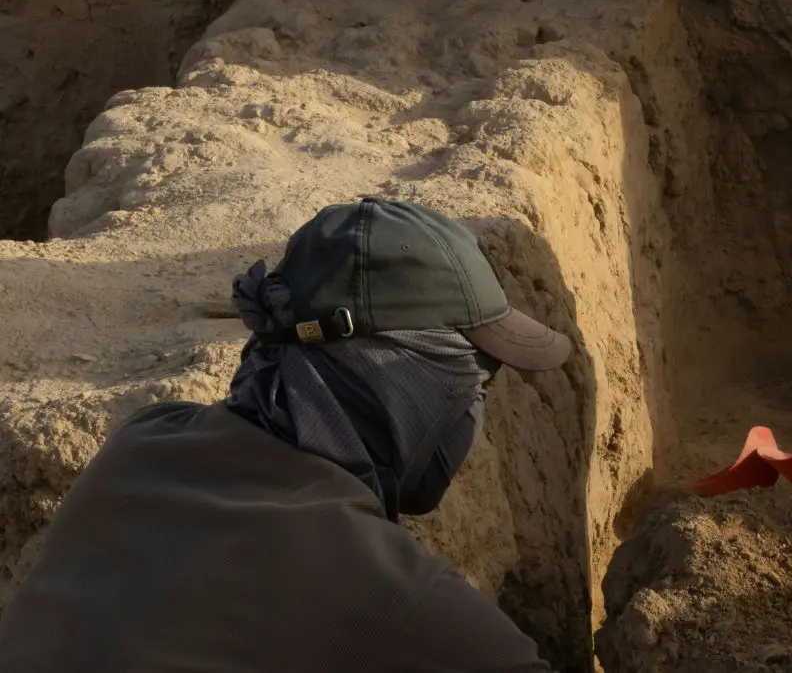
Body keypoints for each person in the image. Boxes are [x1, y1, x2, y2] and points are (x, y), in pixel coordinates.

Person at [0, 198, 573, 672]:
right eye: (476, 379)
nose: (476, 405)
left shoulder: (142, 444)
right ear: (403, 376)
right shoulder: (389, 595)